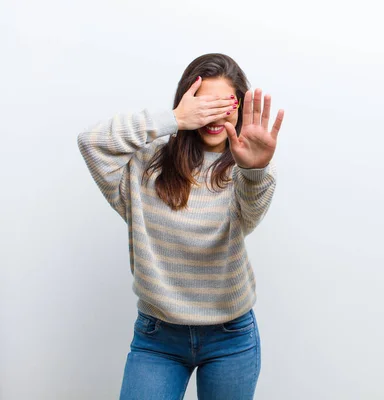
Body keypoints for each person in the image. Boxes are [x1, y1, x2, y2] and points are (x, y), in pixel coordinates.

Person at [77, 53, 284, 400]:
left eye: (225, 105)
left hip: (230, 335)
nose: (215, 117)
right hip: (158, 338)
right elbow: (91, 142)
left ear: (242, 109)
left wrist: (255, 169)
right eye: (206, 105)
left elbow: (250, 214)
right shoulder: (145, 165)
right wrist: (171, 120)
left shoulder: (246, 172)